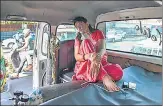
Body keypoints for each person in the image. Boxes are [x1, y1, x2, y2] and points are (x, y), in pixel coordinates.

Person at [72, 16, 123, 92]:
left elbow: (102, 49)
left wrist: (97, 60)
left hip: (101, 62)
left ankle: (94, 75)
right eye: (77, 27)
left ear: (87, 24)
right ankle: (104, 77)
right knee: (86, 42)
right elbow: (77, 56)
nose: (79, 28)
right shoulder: (78, 39)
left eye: (81, 25)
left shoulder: (98, 33)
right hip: (85, 66)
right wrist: (88, 56)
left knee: (119, 71)